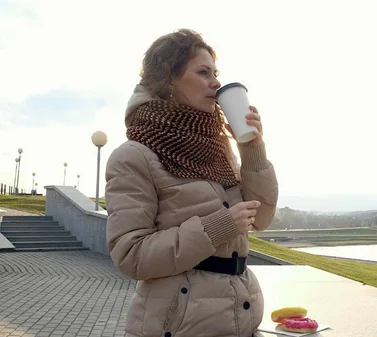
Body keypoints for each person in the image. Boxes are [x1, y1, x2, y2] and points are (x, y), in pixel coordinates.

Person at [104, 28, 279, 337]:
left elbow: (261, 218)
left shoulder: (217, 147)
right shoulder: (134, 156)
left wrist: (252, 150)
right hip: (179, 327)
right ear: (169, 79)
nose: (216, 82)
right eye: (203, 72)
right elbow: (130, 255)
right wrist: (217, 227)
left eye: (216, 72)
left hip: (241, 320)